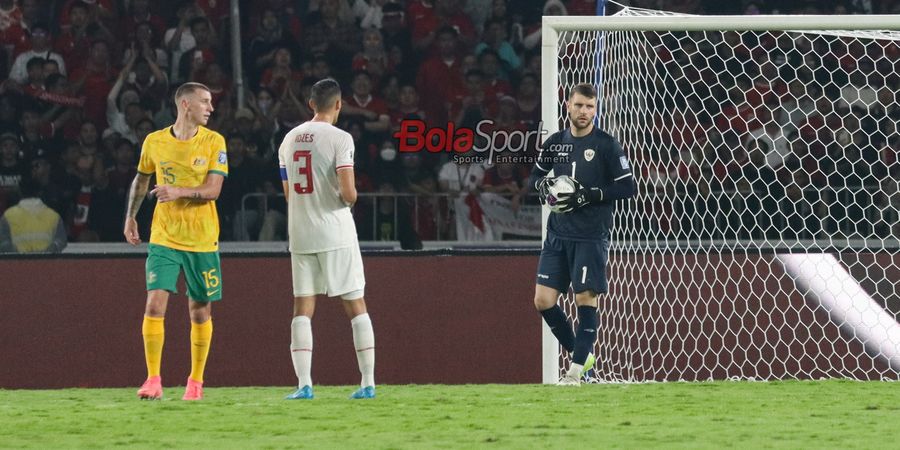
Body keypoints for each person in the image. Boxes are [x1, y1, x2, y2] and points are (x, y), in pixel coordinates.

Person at [524, 83, 635, 385]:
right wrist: (545, 189)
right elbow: (534, 177)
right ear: (568, 106)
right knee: (543, 301)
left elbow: (627, 187)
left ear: (595, 110)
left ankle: (574, 373)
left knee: (585, 298)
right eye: (579, 105)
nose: (584, 111)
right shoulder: (555, 143)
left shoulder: (606, 145)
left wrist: (588, 195)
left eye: (589, 107)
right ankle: (584, 358)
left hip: (589, 235)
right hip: (558, 235)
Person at [123, 82, 228, 401]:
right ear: (185, 104)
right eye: (205, 102)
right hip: (164, 237)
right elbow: (142, 179)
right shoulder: (154, 141)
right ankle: (153, 379)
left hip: (202, 238)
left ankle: (195, 382)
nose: (210, 108)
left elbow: (213, 191)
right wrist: (131, 216)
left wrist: (179, 191)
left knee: (199, 311)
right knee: (154, 303)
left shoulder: (214, 141)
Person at [278, 78, 375, 400]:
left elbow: (288, 193)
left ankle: (304, 384)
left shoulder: (288, 139)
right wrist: (346, 197)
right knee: (355, 305)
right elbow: (349, 193)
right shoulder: (340, 138)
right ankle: (367, 383)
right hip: (335, 232)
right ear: (338, 104)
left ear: (310, 104)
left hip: (301, 231)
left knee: (302, 307)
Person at [0, 177, 67, 253]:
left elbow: (4, 243)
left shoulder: (8, 215)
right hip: (46, 263)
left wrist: (17, 255)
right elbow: (60, 241)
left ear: (20, 192)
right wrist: (47, 253)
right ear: (40, 192)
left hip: (18, 263)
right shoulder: (54, 216)